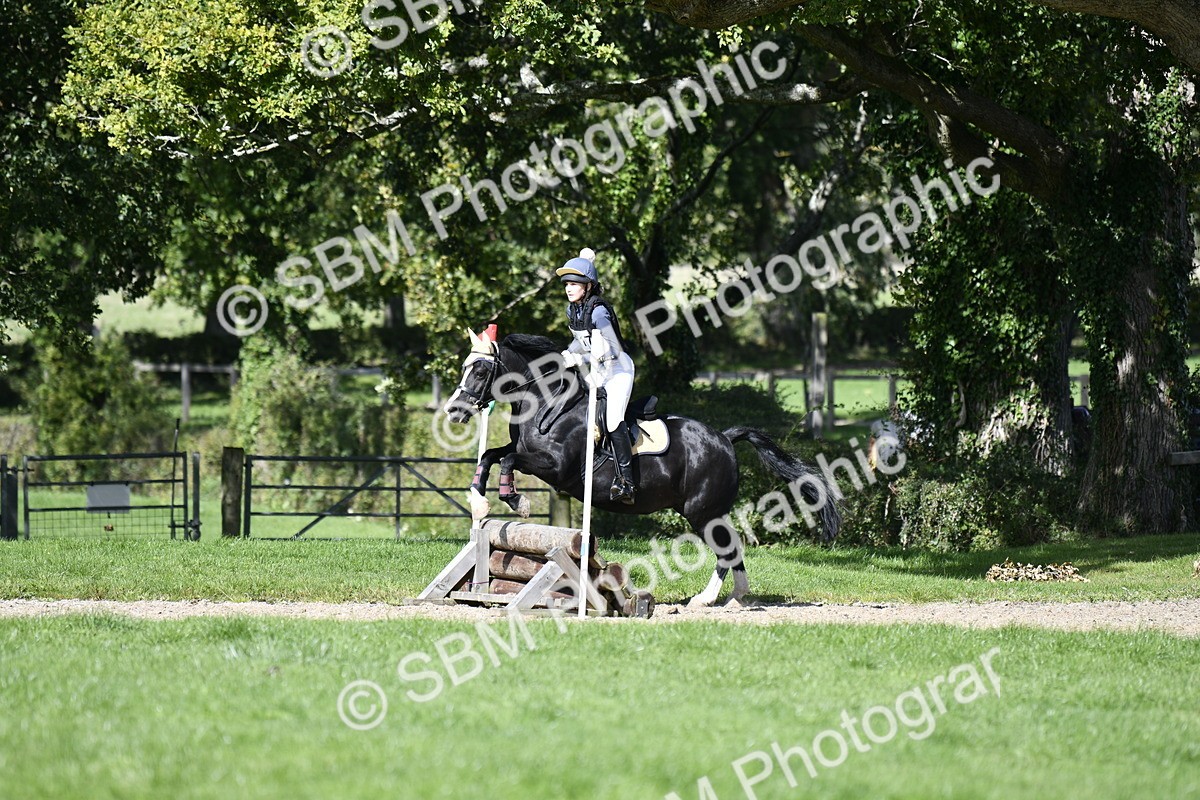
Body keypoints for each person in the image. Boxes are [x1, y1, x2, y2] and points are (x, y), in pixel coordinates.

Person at [556, 247, 637, 504]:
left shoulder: (599, 311)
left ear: (588, 286)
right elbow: (580, 342)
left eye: (575, 283)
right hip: (598, 371)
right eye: (567, 283)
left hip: (618, 370)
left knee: (612, 420)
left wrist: (581, 358)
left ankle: (627, 482)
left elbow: (612, 347)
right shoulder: (573, 311)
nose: (569, 288)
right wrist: (566, 355)